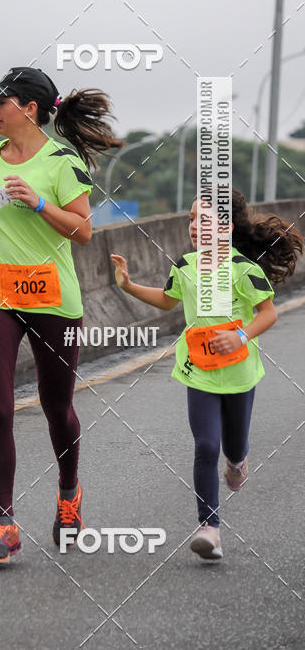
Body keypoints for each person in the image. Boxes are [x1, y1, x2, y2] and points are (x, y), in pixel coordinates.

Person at [0, 66, 123, 565]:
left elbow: (83, 232)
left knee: (56, 407)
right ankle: (3, 523)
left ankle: (69, 493)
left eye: (0, 102)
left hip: (53, 300)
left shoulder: (62, 162)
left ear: (29, 109)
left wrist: (40, 202)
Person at [111, 188, 303, 561]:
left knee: (233, 446)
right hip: (198, 370)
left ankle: (238, 462)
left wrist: (241, 336)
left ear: (226, 228)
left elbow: (268, 313)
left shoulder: (244, 270)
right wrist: (128, 285)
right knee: (206, 445)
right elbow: (167, 299)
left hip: (239, 374)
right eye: (191, 219)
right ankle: (209, 528)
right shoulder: (185, 266)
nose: (194, 226)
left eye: (204, 219)